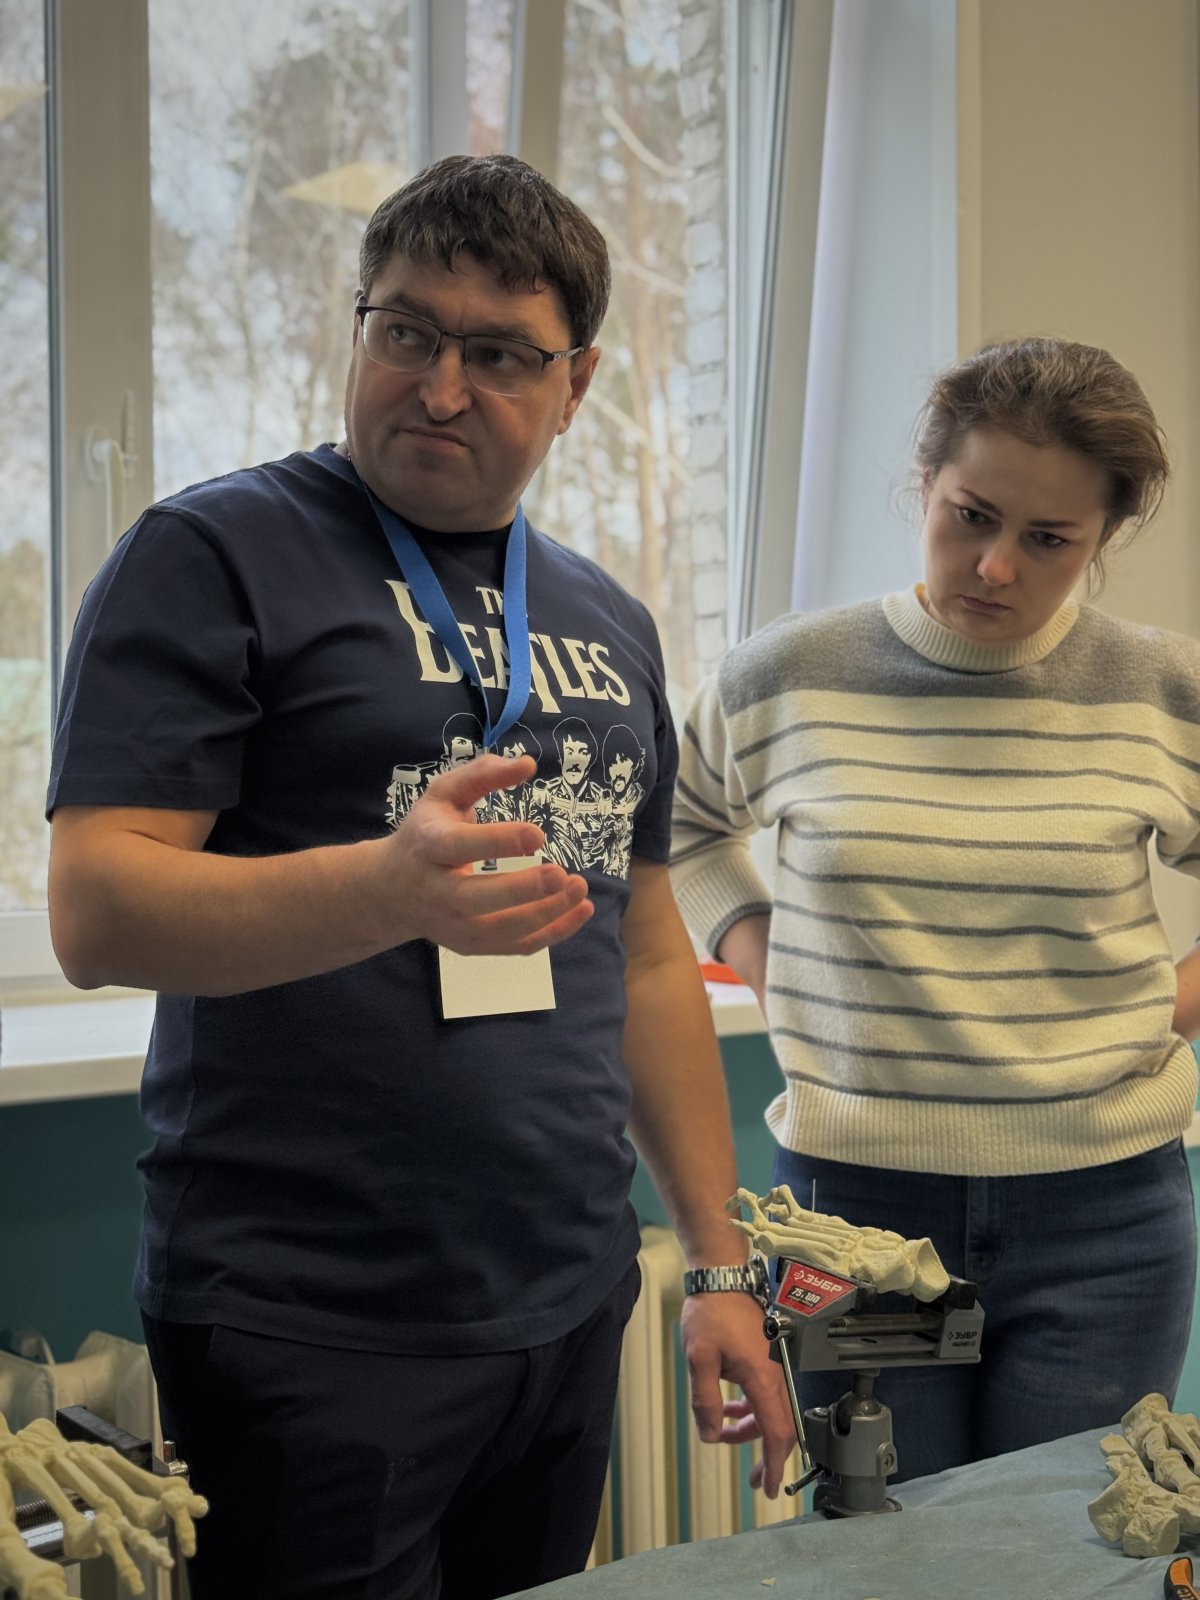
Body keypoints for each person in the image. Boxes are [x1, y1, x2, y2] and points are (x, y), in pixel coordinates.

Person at [46, 154, 793, 1600]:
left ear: (575, 386)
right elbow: (97, 911)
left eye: (499, 353)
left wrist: (713, 1263)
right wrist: (388, 890)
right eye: (406, 332)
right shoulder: (213, 555)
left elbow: (644, 947)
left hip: (565, 1293)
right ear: (359, 328)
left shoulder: (607, 617)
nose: (441, 388)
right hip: (309, 1317)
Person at [670, 336, 1200, 1482]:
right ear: (926, 484)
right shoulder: (785, 675)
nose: (995, 566)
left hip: (1107, 1219)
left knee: (1072, 1547)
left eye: (1049, 539)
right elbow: (683, 827)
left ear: (1102, 539)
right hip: (854, 1206)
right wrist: (770, 962)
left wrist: (1166, 1008)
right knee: (883, 1547)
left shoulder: (1163, 688)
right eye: (972, 516)